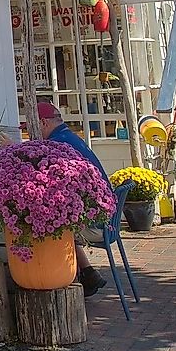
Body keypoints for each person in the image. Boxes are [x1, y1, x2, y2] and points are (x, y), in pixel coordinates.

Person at [37, 101, 109, 297]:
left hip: (97, 224)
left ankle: (59, 282)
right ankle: (87, 274)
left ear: (43, 123)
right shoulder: (68, 137)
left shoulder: (58, 144)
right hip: (105, 217)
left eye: (33, 126)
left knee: (48, 224)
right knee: (57, 217)